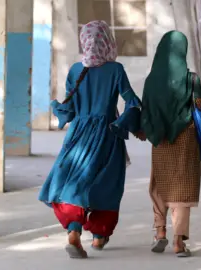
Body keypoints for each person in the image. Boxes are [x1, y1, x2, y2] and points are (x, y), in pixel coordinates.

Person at [38, 20, 142, 259]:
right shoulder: (116, 70)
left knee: (74, 180)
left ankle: (73, 231)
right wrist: (125, 123)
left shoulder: (76, 70)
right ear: (107, 40)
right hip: (107, 133)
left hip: (77, 135)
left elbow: (70, 109)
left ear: (84, 42)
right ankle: (98, 235)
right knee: (107, 182)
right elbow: (132, 102)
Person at [140, 30, 201, 258]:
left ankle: (160, 232)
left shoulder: (151, 81)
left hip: (161, 140)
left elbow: (145, 111)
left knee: (160, 184)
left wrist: (149, 131)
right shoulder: (192, 80)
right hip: (186, 139)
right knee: (182, 188)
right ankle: (179, 241)